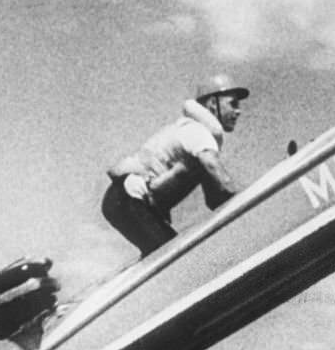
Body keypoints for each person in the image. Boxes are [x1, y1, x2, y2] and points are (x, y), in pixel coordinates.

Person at [101, 74, 249, 257]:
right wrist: (256, 202)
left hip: (123, 201)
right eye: (233, 104)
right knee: (174, 255)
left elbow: (216, 199)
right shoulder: (199, 132)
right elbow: (219, 177)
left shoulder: (196, 135)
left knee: (164, 250)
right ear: (212, 103)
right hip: (128, 199)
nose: (239, 111)